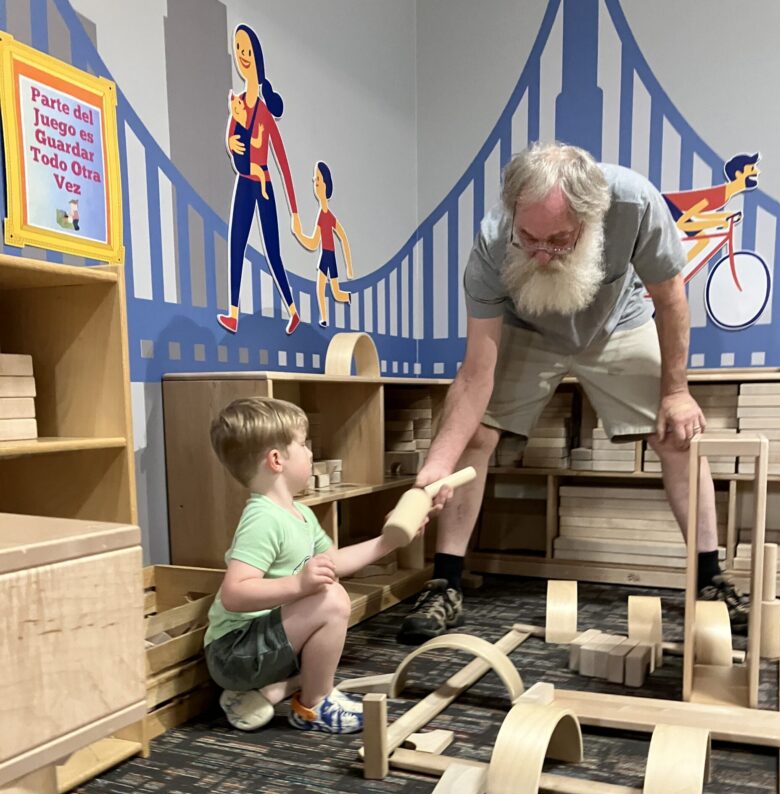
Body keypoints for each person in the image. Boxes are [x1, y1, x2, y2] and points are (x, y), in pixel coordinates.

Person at [398, 141, 748, 643]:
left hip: (618, 323)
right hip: (528, 328)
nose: (541, 252)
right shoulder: (494, 243)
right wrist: (436, 466)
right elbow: (476, 372)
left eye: (559, 239)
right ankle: (445, 583)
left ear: (591, 219)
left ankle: (710, 577)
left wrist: (676, 391)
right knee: (474, 435)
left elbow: (671, 301)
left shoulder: (634, 204)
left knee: (677, 434)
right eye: (529, 237)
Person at [204, 397, 400, 733]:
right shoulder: (262, 518)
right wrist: (299, 584)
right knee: (332, 598)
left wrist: (389, 541)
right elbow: (234, 594)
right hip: (235, 652)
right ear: (277, 459)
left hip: (262, 643)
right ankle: (314, 705)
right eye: (303, 444)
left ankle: (273, 691)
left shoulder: (301, 513)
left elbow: (333, 562)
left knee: (330, 594)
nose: (311, 452)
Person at [218, 24, 301, 336]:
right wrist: (230, 143)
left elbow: (282, 162)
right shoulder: (237, 105)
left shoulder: (264, 113)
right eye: (238, 49)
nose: (242, 56)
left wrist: (294, 211)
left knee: (273, 250)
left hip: (263, 183)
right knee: (236, 243)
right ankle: (234, 313)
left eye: (247, 50)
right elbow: (231, 137)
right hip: (245, 180)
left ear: (257, 57)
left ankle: (292, 311)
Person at [664, 152, 760, 265]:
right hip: (668, 204)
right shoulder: (718, 195)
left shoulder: (724, 195)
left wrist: (724, 216)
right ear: (739, 174)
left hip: (671, 205)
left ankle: (677, 269)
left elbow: (698, 215)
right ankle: (676, 269)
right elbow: (683, 222)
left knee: (703, 240)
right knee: (703, 240)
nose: (757, 171)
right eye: (752, 168)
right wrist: (719, 222)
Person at [293, 162, 353, 326]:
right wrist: (298, 234)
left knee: (335, 292)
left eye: (318, 179)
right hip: (326, 255)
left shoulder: (328, 216)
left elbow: (342, 238)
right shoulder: (322, 214)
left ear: (326, 184)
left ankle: (347, 297)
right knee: (320, 288)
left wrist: (349, 267)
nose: (316, 183)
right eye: (314, 179)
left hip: (330, 255)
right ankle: (324, 318)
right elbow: (314, 243)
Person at [228, 92, 270, 199]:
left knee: (260, 173)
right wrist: (230, 142)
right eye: (240, 103)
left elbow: (255, 143)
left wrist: (259, 133)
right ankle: (263, 191)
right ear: (237, 110)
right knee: (260, 173)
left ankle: (263, 190)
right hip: (244, 166)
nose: (243, 103)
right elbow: (256, 143)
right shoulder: (241, 130)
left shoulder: (242, 129)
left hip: (243, 164)